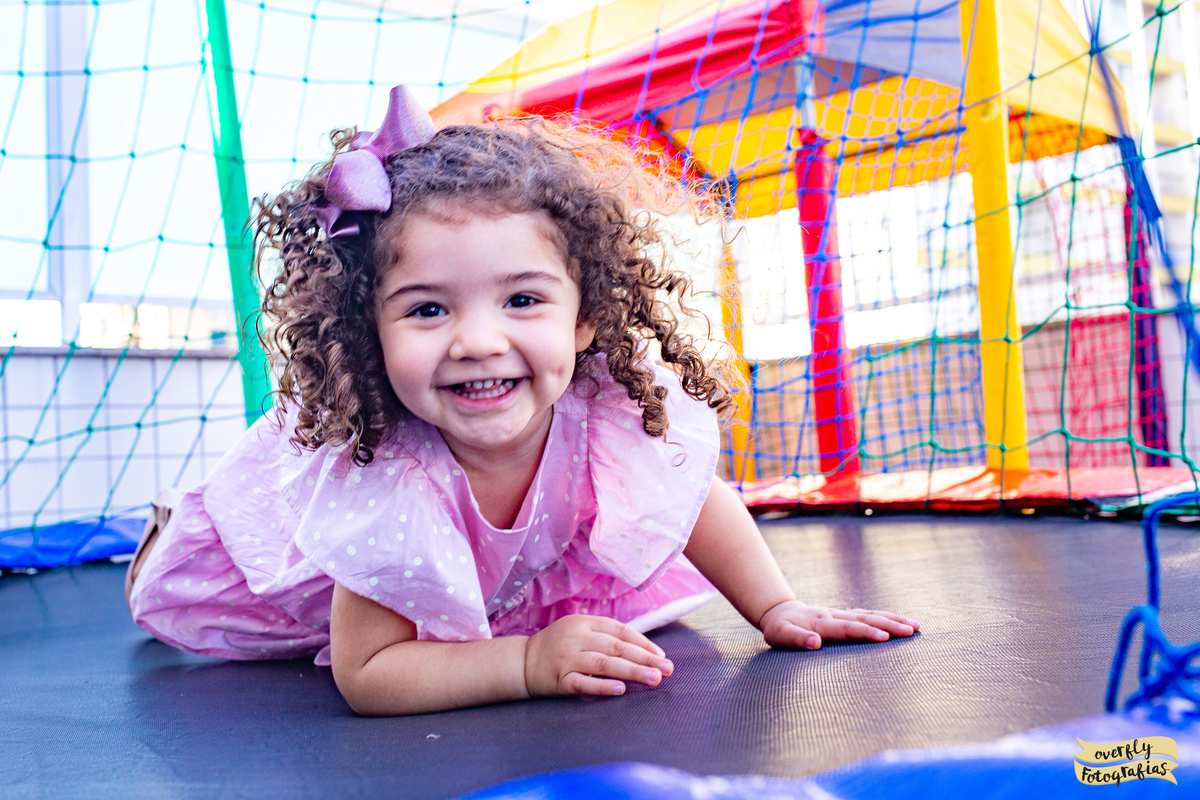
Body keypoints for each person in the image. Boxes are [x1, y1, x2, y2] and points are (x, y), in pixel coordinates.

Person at [126, 85, 918, 716]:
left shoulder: (601, 407)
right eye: (427, 310)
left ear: (586, 318)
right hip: (279, 570)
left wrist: (777, 608)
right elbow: (369, 672)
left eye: (523, 301)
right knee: (177, 577)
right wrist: (527, 662)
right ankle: (164, 528)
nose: (477, 340)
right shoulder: (385, 470)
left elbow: (696, 500)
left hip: (489, 566)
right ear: (372, 334)